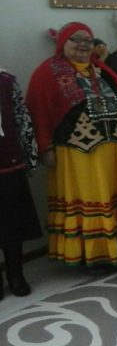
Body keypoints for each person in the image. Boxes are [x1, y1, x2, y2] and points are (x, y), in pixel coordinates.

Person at [27, 22, 117, 268]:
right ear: (62, 43)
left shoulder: (103, 70)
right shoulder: (47, 73)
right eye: (75, 39)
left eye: (87, 40)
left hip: (113, 152)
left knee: (115, 199)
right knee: (89, 200)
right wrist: (45, 147)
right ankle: (90, 255)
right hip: (76, 155)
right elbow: (38, 111)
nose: (82, 45)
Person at [0, 68, 41, 298]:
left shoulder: (6, 81)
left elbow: (22, 119)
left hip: (8, 162)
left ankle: (16, 274)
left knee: (12, 223)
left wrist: (30, 157)